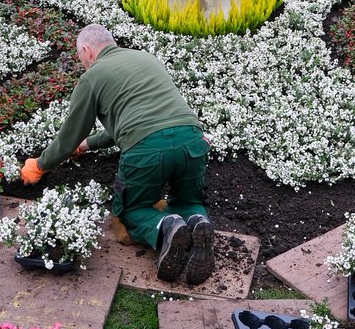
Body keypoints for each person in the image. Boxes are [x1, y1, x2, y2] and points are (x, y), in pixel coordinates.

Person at [18, 24, 215, 285]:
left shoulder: (92, 77)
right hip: (192, 140)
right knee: (188, 199)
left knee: (130, 213)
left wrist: (40, 165)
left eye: (80, 58)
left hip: (147, 151)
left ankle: (167, 227)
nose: (82, 64)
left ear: (87, 51)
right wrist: (88, 145)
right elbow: (133, 120)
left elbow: (68, 138)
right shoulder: (145, 58)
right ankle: (198, 222)